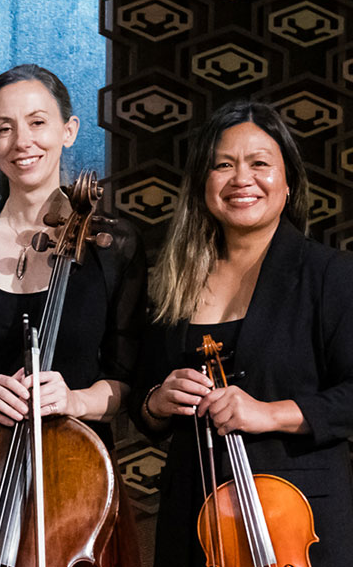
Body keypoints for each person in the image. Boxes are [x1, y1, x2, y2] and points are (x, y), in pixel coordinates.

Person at [0, 64, 146, 565]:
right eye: (4, 127)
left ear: (69, 130)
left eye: (38, 122)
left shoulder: (115, 246)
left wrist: (77, 400)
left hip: (78, 496)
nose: (23, 140)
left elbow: (130, 382)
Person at [131, 100, 353, 567]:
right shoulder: (174, 280)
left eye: (259, 164)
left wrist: (269, 413)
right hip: (196, 515)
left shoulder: (328, 274)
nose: (241, 179)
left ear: (288, 182)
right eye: (223, 165)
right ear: (202, 183)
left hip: (298, 522)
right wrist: (157, 400)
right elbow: (142, 400)